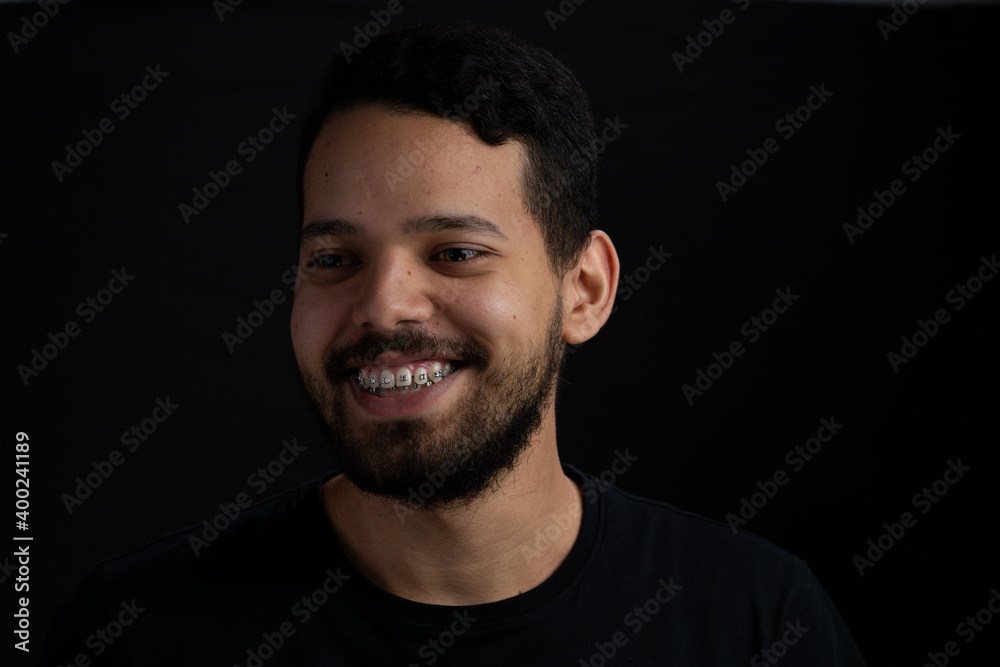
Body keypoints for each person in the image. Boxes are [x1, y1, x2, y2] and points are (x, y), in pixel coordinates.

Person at [41, 23, 865, 666]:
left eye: (455, 253)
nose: (383, 305)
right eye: (334, 259)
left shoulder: (758, 621)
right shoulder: (134, 632)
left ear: (585, 290)